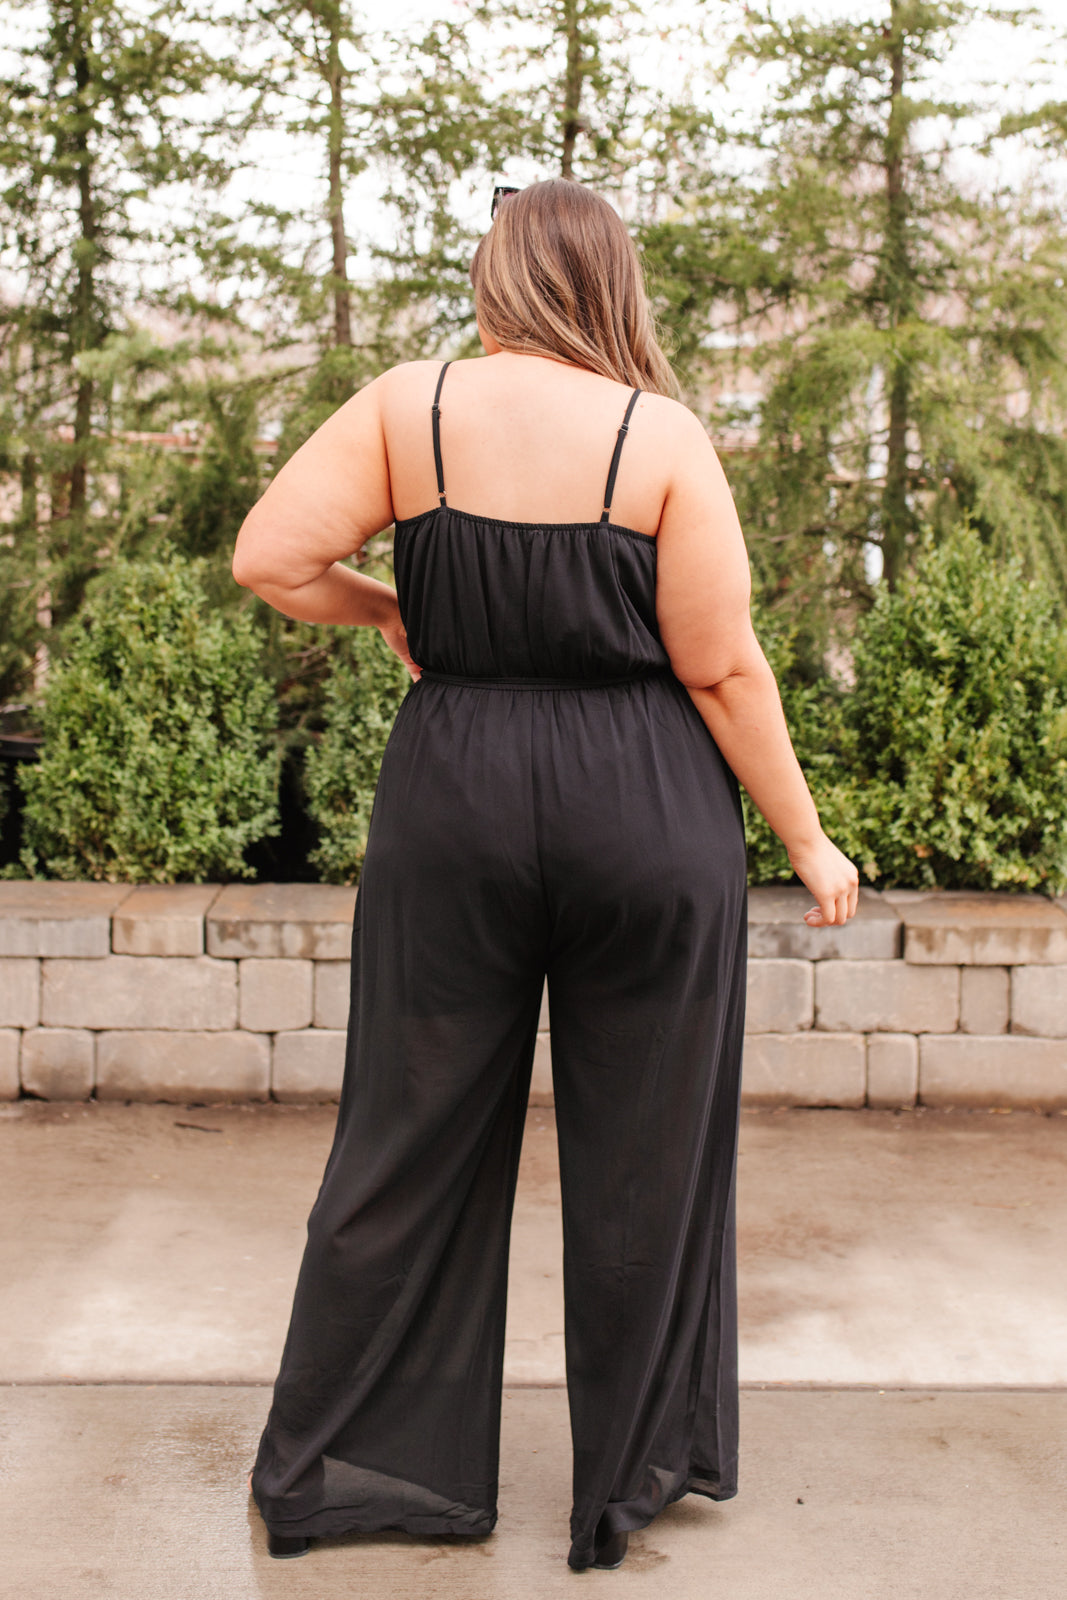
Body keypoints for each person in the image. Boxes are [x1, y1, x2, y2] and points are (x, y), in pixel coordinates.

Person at [232, 177, 858, 1573]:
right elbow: (721, 667)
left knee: (403, 1133)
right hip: (643, 807)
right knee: (646, 1151)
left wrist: (391, 602)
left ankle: (348, 1470)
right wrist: (807, 838)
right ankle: (627, 1477)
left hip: (453, 796)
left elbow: (269, 558)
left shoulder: (410, 407)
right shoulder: (661, 435)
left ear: (497, 279)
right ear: (613, 284)